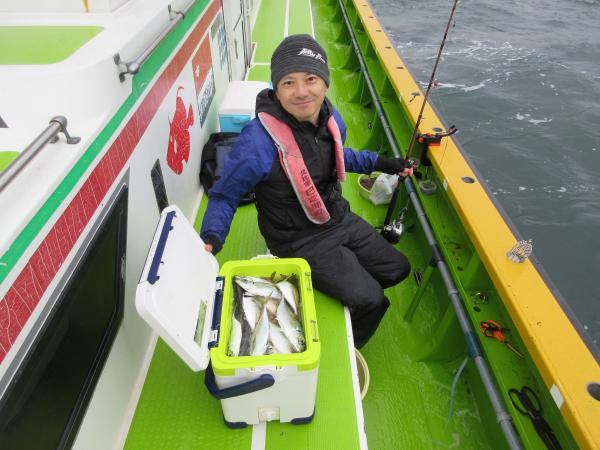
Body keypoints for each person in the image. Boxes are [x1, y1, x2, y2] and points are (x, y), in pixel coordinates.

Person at [201, 34, 412, 348]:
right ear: (276, 89)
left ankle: (344, 286)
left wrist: (383, 163)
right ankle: (348, 344)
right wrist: (212, 237)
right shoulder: (256, 141)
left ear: (325, 82)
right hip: (296, 237)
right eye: (288, 82)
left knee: (398, 268)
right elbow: (224, 194)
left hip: (337, 217)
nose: (301, 92)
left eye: (310, 79)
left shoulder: (331, 118)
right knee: (373, 301)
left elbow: (339, 155)